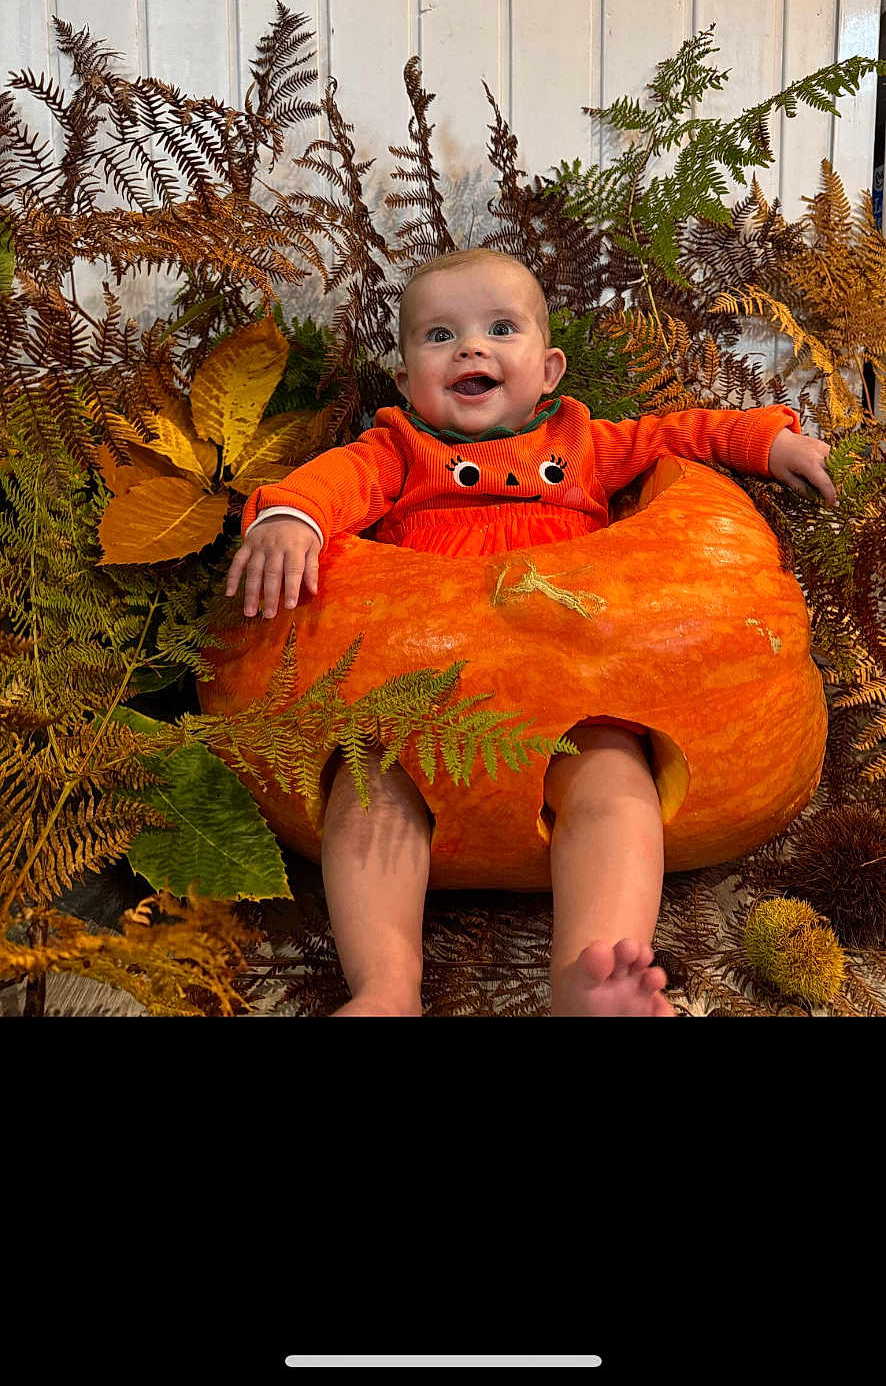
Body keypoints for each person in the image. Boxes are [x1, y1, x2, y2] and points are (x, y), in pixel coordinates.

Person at [224, 248, 837, 1017]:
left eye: (500, 329)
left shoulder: (582, 445)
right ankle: (384, 987)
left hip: (577, 687)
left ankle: (594, 972)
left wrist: (767, 439)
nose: (471, 349)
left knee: (616, 782)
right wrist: (289, 517)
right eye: (439, 336)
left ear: (548, 370)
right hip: (421, 694)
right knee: (365, 785)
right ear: (407, 377)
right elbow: (334, 481)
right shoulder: (397, 452)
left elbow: (676, 437)